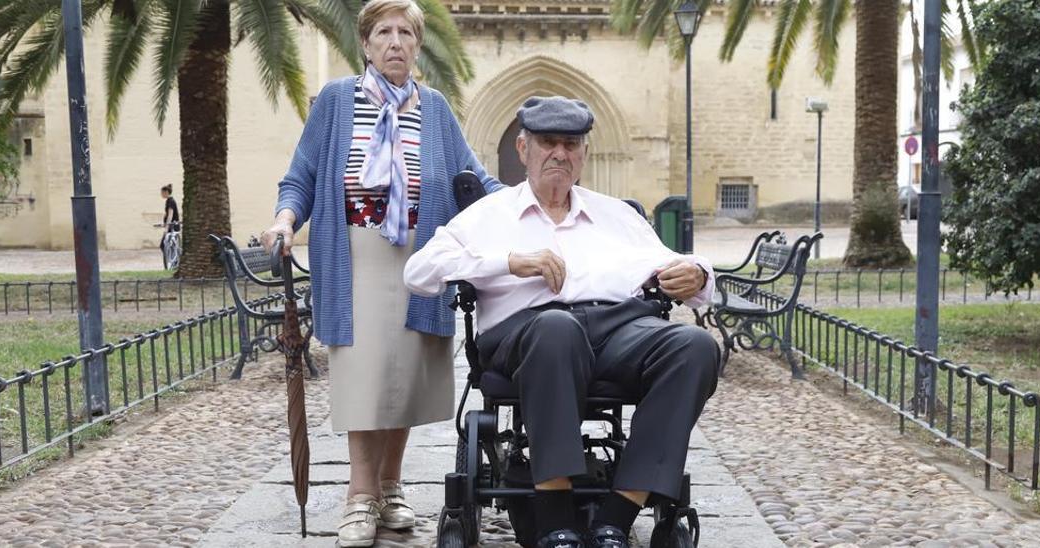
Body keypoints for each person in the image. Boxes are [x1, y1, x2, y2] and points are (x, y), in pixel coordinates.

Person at [404, 96, 720, 548]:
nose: (560, 153)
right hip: (526, 333)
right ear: (523, 148)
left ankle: (617, 515)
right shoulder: (489, 216)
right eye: (547, 142)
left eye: (571, 144)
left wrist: (698, 271)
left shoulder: (617, 216)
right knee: (557, 327)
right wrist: (509, 261)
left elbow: (681, 266)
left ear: (585, 154)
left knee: (695, 345)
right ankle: (555, 518)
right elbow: (417, 273)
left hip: (620, 329)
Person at [260, 0, 503, 545]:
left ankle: (390, 488)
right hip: (355, 256)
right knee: (366, 376)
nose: (396, 42)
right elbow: (301, 175)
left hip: (423, 257)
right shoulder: (335, 102)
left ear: (418, 45)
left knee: (407, 378)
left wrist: (528, 207)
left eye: (406, 33)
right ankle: (358, 497)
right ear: (366, 44)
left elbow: (475, 178)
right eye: (384, 32)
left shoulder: (435, 108)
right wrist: (283, 219)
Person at [159, 184, 180, 252]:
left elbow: (170, 215)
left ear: (166, 192)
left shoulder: (171, 201)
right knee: (167, 245)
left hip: (172, 226)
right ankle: (171, 260)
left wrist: (167, 227)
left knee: (163, 245)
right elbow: (167, 214)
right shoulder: (168, 201)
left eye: (162, 192)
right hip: (171, 225)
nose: (161, 194)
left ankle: (171, 260)